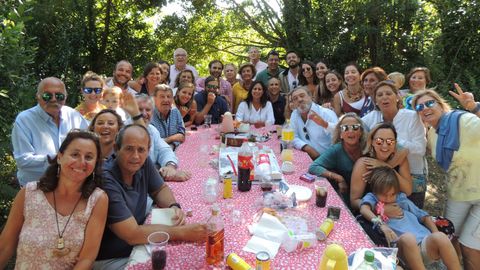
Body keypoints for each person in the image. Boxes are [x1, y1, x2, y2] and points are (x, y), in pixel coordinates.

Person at [94, 125, 207, 269]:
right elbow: (132, 234)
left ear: (148, 150)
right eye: (129, 148)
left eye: (141, 150)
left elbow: (159, 189)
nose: (135, 156)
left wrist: (173, 206)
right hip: (112, 258)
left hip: (139, 244)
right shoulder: (106, 179)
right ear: (116, 148)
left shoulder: (143, 162)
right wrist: (183, 233)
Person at [0, 130, 108, 269]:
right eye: (75, 154)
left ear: (95, 164)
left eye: (88, 157)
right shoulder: (29, 193)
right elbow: (5, 247)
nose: (81, 162)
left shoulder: (97, 200)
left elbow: (86, 259)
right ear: (59, 157)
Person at [412, 85, 480, 269]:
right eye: (419, 107)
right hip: (458, 195)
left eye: (429, 103)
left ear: (441, 105)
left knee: (470, 246)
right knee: (450, 237)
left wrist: (474, 108)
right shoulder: (432, 134)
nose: (425, 108)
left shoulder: (463, 120)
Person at [360, 167, 461, 269]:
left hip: (424, 244)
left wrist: (435, 233)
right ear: (375, 192)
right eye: (384, 195)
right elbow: (364, 209)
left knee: (441, 237)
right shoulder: (372, 199)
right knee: (409, 238)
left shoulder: (401, 199)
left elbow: (424, 216)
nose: (389, 198)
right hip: (402, 249)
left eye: (392, 194)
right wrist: (380, 223)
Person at [12, 77, 89, 186]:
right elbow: (23, 160)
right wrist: (57, 159)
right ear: (38, 97)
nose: (53, 99)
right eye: (47, 96)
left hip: (70, 187)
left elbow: (90, 141)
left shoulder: (73, 116)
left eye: (59, 96)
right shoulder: (24, 120)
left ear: (65, 98)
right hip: (37, 188)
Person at [362, 80, 427, 208]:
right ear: (375, 101)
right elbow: (352, 125)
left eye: (388, 93)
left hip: (413, 173)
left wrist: (394, 142)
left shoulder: (412, 117)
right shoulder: (372, 117)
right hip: (384, 176)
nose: (384, 97)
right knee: (386, 214)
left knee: (413, 214)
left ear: (397, 97)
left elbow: (421, 148)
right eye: (379, 95)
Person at [350, 122, 412, 212]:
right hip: (371, 216)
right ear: (372, 142)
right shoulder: (364, 164)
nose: (385, 146)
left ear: (395, 143)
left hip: (398, 212)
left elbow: (408, 191)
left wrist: (386, 167)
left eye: (390, 141)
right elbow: (354, 201)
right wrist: (380, 209)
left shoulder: (401, 160)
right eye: (379, 141)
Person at [309, 113, 367, 203]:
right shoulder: (336, 150)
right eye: (345, 128)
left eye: (355, 127)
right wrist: (338, 178)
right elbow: (314, 167)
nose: (350, 131)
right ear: (340, 134)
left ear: (361, 132)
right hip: (347, 197)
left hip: (368, 196)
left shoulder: (368, 148)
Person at [290, 87, 338, 160]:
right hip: (306, 157)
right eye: (295, 98)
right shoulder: (295, 114)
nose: (299, 100)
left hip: (328, 159)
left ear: (311, 97)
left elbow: (338, 136)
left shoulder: (326, 113)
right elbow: (292, 136)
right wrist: (306, 147)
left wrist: (323, 159)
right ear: (293, 103)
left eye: (302, 96)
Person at [151, 84, 185, 150]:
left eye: (169, 96)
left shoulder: (175, 112)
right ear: (154, 99)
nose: (166, 100)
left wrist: (172, 145)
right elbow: (152, 144)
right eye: (162, 97)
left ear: (172, 99)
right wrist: (172, 138)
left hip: (175, 150)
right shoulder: (149, 115)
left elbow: (181, 136)